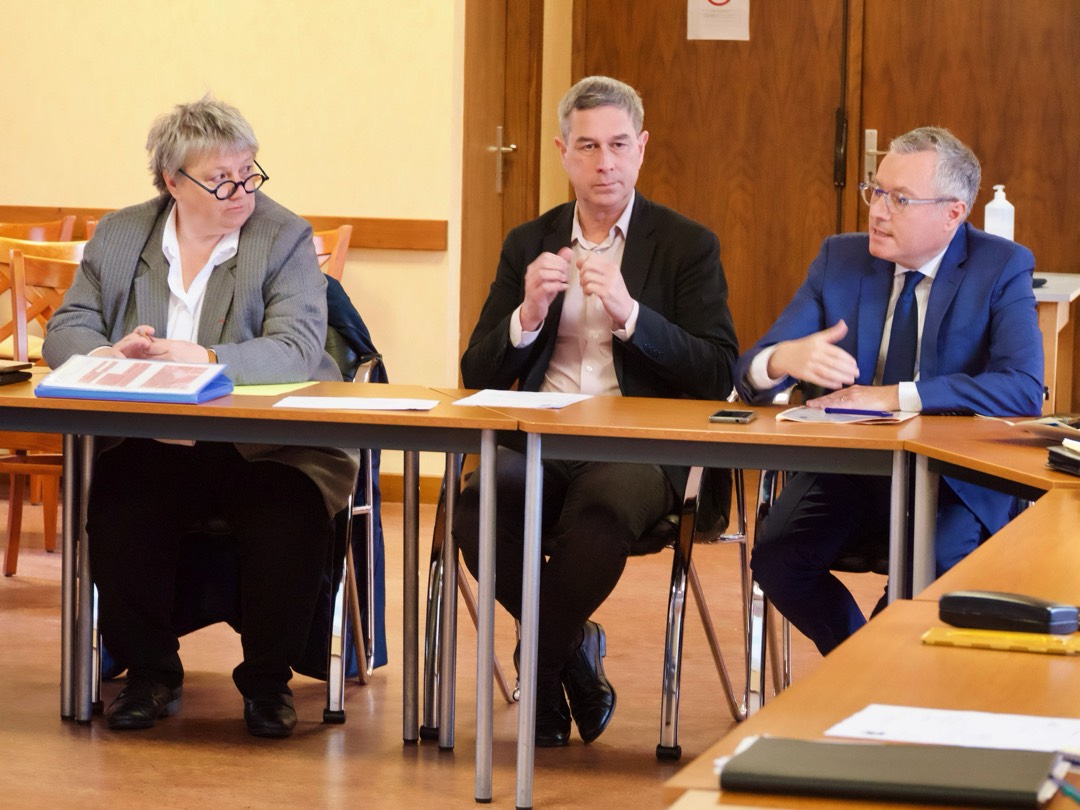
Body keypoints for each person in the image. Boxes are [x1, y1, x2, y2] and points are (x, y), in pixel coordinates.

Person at [43, 96, 359, 738]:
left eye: (248, 173)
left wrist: (204, 357)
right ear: (172, 181)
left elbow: (298, 346)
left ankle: (267, 684)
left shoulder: (283, 236)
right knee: (120, 502)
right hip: (155, 438)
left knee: (286, 512)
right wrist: (109, 355)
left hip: (267, 446)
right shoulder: (121, 234)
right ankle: (150, 674)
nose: (241, 191)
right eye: (221, 180)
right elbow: (66, 327)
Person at [452, 76, 738, 747]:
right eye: (587, 146)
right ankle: (574, 650)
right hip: (542, 436)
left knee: (601, 515)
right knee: (477, 509)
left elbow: (718, 371)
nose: (604, 162)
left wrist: (632, 315)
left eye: (618, 145)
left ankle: (541, 668)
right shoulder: (529, 241)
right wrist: (526, 315)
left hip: (641, 445)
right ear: (563, 152)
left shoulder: (686, 245)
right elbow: (476, 374)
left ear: (641, 148)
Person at [735, 126, 1043, 656]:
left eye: (899, 199)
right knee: (779, 559)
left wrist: (896, 395)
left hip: (952, 478)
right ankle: (863, 665)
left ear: (953, 213)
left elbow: (1022, 388)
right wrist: (780, 360)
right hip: (850, 469)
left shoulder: (1000, 266)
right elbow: (751, 371)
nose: (877, 212)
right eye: (875, 192)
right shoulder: (840, 258)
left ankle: (872, 676)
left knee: (929, 575)